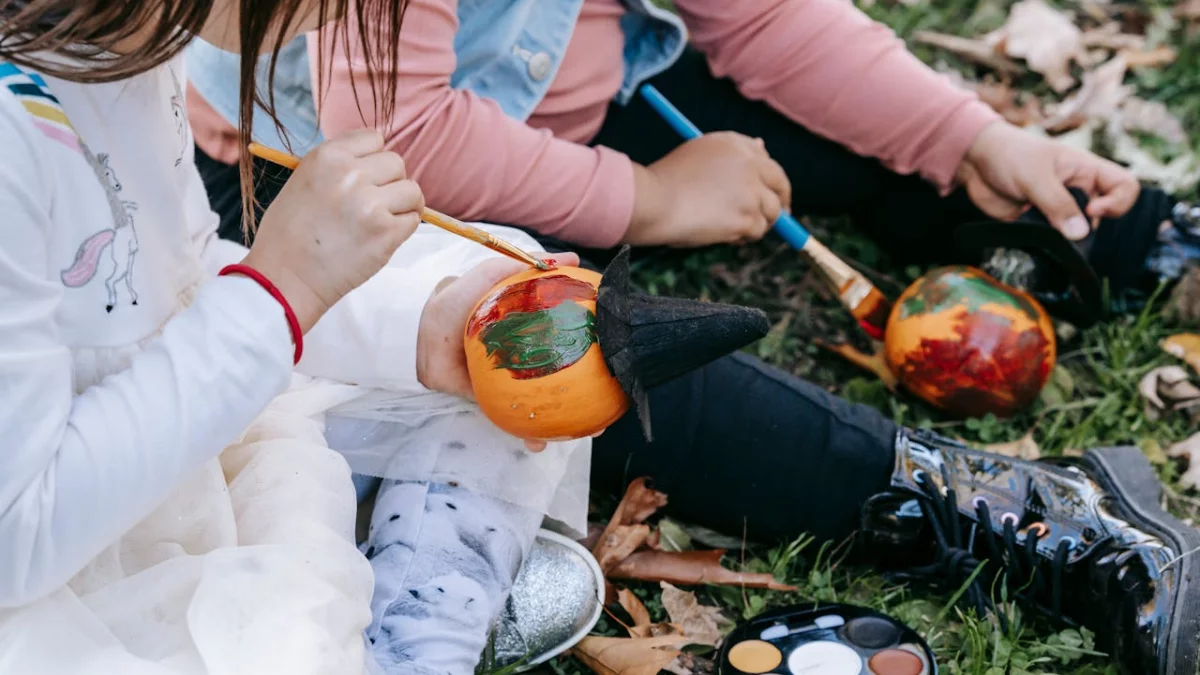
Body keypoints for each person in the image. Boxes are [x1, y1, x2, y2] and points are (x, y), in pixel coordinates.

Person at [183, 2, 1200, 673]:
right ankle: (1020, 516)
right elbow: (397, 132)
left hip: (567, 107)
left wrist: (970, 137)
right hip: (325, 184)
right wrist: (651, 200)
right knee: (572, 353)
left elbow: (761, 18)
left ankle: (1119, 235)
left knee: (803, 135)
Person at [0, 1, 614, 674]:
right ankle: (414, 625)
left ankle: (411, 628)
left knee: (493, 323)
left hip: (179, 447)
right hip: (63, 570)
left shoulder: (130, 38)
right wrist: (280, 291)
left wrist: (419, 328)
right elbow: (17, 536)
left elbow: (173, 283)